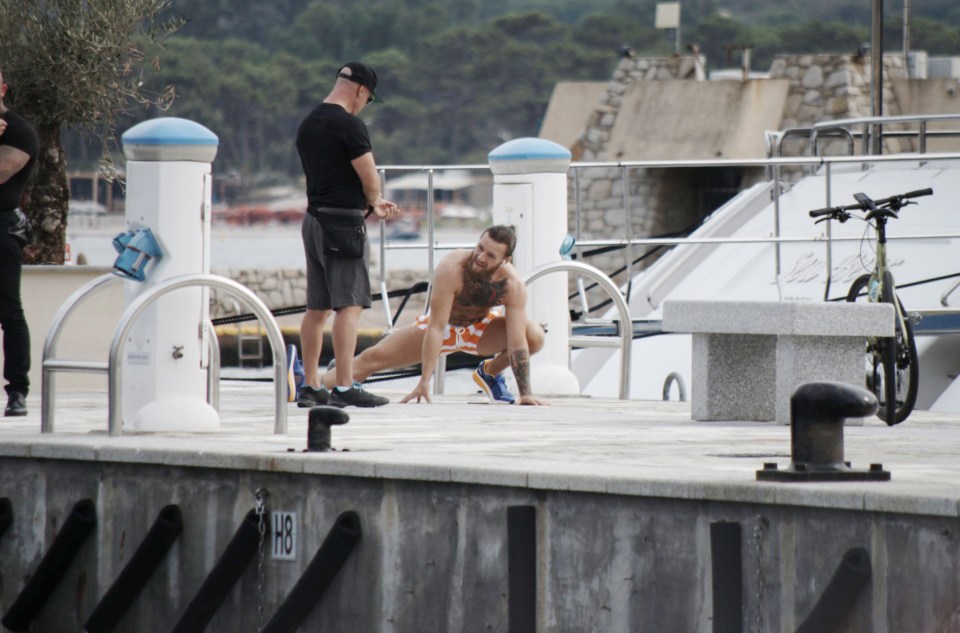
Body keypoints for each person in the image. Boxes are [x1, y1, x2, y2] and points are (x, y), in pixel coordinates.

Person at [321, 225, 549, 406]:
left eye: (490, 255)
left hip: (480, 331)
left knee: (534, 336)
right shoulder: (453, 267)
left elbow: (517, 341)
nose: (480, 257)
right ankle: (310, 384)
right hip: (443, 327)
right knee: (371, 359)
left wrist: (525, 394)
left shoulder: (512, 285)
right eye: (479, 248)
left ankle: (489, 373)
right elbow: (437, 327)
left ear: (505, 260)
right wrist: (423, 381)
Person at [294, 61, 399, 409]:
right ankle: (343, 386)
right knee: (349, 306)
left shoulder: (308, 123)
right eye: (368, 99)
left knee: (317, 308)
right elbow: (370, 178)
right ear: (362, 91)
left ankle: (310, 386)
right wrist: (375, 201)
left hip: (313, 220)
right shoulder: (350, 125)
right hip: (342, 224)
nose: (365, 105)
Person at [0, 66, 38, 417]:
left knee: (9, 310)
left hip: (2, 230)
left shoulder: (19, 132)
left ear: (3, 89)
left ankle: (18, 390)